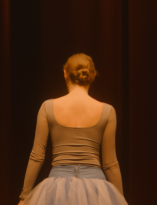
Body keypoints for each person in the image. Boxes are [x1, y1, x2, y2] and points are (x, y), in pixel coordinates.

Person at [18, 54, 128, 205]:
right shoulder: (107, 111)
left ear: (65, 74)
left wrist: (24, 197)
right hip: (97, 190)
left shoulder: (47, 107)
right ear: (92, 77)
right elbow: (110, 164)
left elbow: (37, 155)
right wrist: (119, 199)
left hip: (56, 189)